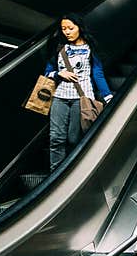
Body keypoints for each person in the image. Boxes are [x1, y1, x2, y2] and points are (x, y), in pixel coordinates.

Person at [43, 13, 113, 171]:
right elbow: (47, 72)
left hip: (82, 98)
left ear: (79, 28)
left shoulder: (90, 47)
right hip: (59, 97)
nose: (67, 32)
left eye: (70, 28)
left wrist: (108, 97)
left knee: (74, 138)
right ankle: (56, 173)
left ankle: (72, 170)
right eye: (63, 29)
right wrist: (58, 74)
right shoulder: (59, 46)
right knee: (56, 138)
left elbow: (98, 73)